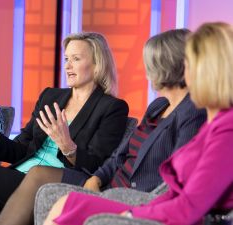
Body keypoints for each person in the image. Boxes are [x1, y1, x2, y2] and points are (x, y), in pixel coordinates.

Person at [0, 28, 207, 225]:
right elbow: (119, 155)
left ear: (173, 65)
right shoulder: (158, 106)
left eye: (152, 64)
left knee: (58, 196)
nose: (148, 71)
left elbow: (179, 177)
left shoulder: (193, 111)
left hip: (136, 192)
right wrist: (98, 178)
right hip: (111, 182)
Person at [43, 22, 233, 225]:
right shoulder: (214, 123)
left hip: (162, 207)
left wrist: (134, 215)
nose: (184, 76)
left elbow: (188, 207)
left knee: (69, 204)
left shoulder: (224, 130)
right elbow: (175, 191)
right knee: (67, 204)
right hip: (149, 203)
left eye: (188, 68)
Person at [0, 32, 129, 225]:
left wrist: (68, 146)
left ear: (97, 65)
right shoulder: (50, 96)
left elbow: (99, 164)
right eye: (67, 58)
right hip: (21, 175)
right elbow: (22, 148)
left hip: (59, 178)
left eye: (76, 59)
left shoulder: (113, 107)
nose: (67, 66)